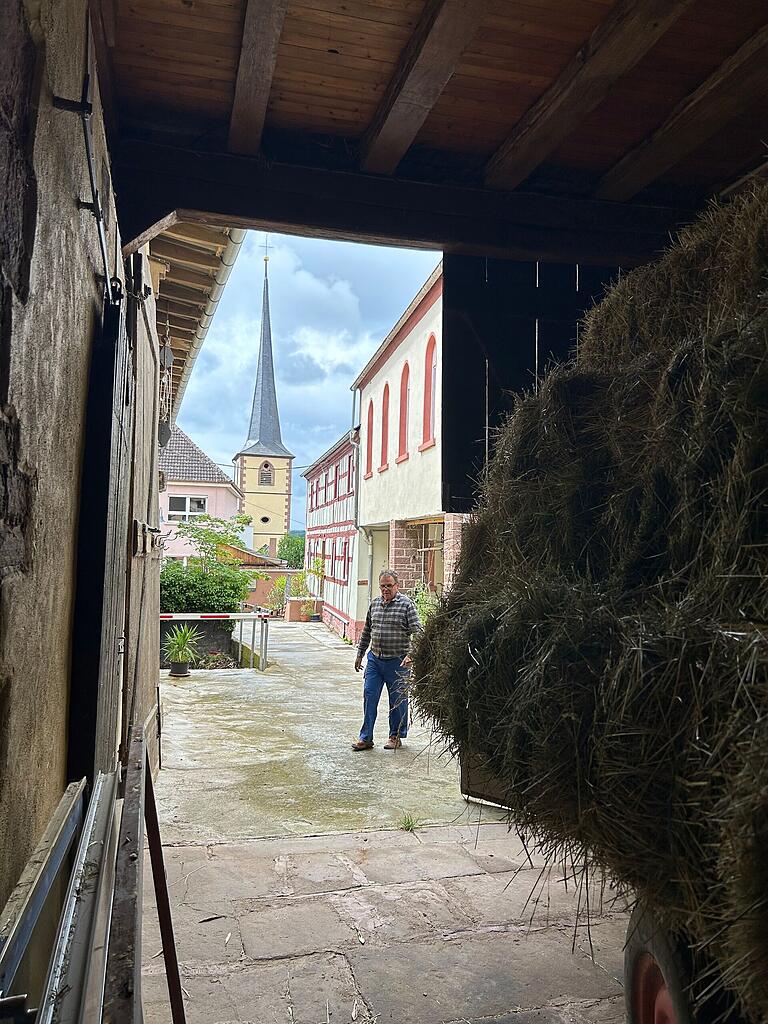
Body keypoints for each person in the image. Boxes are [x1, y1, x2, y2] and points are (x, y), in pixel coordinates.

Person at [352, 569, 422, 751]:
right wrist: (360, 654)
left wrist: (411, 655)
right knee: (369, 695)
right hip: (375, 660)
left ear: (396, 586)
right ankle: (366, 737)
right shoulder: (374, 605)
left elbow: (419, 633)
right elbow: (367, 631)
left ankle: (395, 736)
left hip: (398, 662)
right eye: (382, 586)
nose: (385, 589)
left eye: (389, 586)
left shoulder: (406, 605)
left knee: (398, 701)